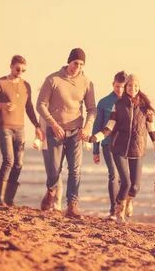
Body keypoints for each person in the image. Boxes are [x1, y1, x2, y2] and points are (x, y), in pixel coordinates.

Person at [88, 73, 155, 223]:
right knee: (125, 182)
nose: (132, 88)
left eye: (135, 86)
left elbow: (152, 131)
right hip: (119, 149)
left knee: (135, 187)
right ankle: (119, 212)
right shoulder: (118, 105)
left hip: (138, 149)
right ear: (126, 87)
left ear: (139, 87)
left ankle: (128, 202)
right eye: (130, 85)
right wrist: (94, 138)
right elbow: (109, 127)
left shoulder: (145, 108)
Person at [36, 48, 96, 218]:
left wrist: (87, 127)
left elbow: (92, 109)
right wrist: (53, 124)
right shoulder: (53, 79)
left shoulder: (86, 83)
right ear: (69, 61)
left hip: (76, 132)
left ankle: (72, 206)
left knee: (75, 170)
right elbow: (40, 104)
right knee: (54, 170)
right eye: (76, 63)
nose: (78, 67)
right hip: (56, 131)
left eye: (81, 64)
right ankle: (51, 190)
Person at [0, 55, 43, 206]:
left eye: (23, 70)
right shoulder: (0, 83)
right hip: (4, 127)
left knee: (18, 163)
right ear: (11, 66)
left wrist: (37, 126)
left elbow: (29, 107)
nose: (20, 72)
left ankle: (9, 199)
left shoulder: (26, 86)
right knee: (9, 161)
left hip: (20, 129)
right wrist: (2, 105)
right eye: (17, 69)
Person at [91, 70, 127, 220]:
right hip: (107, 144)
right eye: (117, 86)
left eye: (122, 87)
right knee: (114, 175)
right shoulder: (104, 102)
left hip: (124, 145)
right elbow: (97, 126)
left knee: (125, 179)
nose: (119, 89)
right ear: (113, 84)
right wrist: (95, 150)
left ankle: (122, 208)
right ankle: (113, 211)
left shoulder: (129, 102)